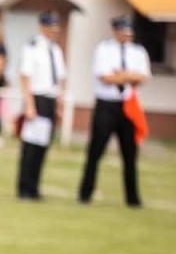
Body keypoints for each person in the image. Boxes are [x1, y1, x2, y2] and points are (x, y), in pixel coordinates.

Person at [79, 14, 148, 208]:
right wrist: (129, 77)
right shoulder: (104, 49)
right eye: (123, 31)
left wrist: (122, 75)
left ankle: (132, 198)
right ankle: (85, 193)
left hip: (127, 105)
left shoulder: (138, 52)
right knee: (95, 151)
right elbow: (105, 77)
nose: (127, 35)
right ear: (115, 31)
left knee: (130, 154)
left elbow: (142, 78)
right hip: (106, 105)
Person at [15, 11, 66, 202]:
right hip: (36, 99)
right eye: (51, 28)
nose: (54, 32)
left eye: (56, 28)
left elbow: (59, 80)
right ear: (42, 27)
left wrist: (59, 104)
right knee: (31, 146)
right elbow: (25, 77)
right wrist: (29, 105)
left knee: (43, 146)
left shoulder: (56, 50)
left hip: (50, 100)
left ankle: (35, 187)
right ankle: (24, 188)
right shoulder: (32, 48)